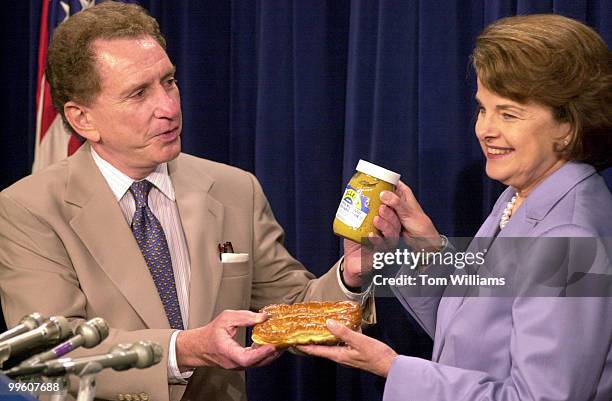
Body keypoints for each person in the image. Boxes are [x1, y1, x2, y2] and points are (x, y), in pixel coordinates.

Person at [0, 2, 400, 401]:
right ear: (82, 118)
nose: (169, 107)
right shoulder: (30, 209)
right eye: (139, 93)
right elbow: (48, 352)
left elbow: (291, 309)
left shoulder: (234, 189)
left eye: (168, 81)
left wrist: (350, 274)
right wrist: (184, 349)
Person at [299, 14, 612, 401]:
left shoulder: (568, 237)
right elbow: (477, 334)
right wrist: (424, 251)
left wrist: (393, 369)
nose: (485, 129)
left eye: (508, 114)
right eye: (483, 109)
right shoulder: (523, 195)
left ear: (568, 125)